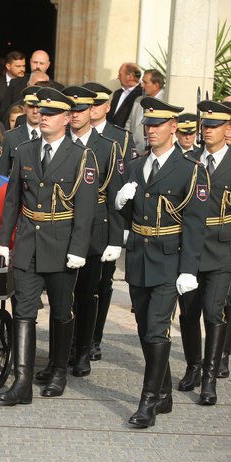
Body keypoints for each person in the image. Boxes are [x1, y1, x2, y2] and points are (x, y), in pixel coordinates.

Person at [0, 87, 98, 406]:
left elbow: (86, 207)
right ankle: (22, 382)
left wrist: (79, 248)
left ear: (67, 119)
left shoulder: (81, 156)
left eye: (51, 114)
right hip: (27, 242)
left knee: (62, 310)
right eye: (41, 112)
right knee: (23, 311)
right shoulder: (25, 150)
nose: (43, 117)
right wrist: (3, 241)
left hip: (61, 243)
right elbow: (12, 199)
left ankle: (58, 371)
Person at [114, 97, 207, 428]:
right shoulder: (138, 165)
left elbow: (195, 225)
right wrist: (122, 203)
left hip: (170, 258)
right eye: (147, 125)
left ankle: (148, 402)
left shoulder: (190, 170)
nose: (150, 130)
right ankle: (164, 391)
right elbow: (131, 212)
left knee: (156, 327)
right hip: (139, 256)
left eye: (156, 125)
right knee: (144, 329)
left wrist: (189, 269)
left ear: (173, 127)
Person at [61, 85, 125, 378]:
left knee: (87, 294)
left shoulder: (107, 146)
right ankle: (62, 351)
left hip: (95, 229)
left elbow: (114, 195)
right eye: (71, 110)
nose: (75, 115)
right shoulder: (58, 141)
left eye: (81, 110)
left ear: (91, 111)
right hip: (61, 225)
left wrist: (115, 238)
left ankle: (83, 350)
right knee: (63, 295)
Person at [176, 100, 230, 405]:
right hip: (191, 249)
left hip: (222, 248)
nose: (207, 131)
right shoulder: (190, 160)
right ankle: (193, 366)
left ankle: (210, 378)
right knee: (189, 313)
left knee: (213, 311)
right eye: (205, 126)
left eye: (214, 126)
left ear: (227, 129)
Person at [0, 86, 42, 177]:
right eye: (31, 106)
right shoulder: (10, 137)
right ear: (24, 107)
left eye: (39, 107)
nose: (35, 111)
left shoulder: (51, 136)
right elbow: (2, 174)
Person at [126, 69, 165, 154]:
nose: (142, 86)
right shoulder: (138, 100)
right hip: (131, 151)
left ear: (156, 85)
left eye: (145, 82)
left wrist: (151, 149)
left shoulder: (165, 103)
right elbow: (129, 124)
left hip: (151, 152)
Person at [107, 63, 142, 127]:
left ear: (130, 76)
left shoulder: (140, 95)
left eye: (120, 75)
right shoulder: (117, 93)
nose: (118, 77)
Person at [0, 51, 26, 115]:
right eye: (18, 66)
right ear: (8, 66)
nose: (22, 69)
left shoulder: (28, 83)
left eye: (23, 66)